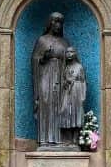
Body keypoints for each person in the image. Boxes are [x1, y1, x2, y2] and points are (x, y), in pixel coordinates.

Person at [31, 12, 71, 146]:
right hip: (45, 76)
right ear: (50, 23)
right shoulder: (42, 40)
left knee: (60, 106)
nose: (58, 25)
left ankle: (60, 140)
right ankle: (44, 140)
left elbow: (71, 61)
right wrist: (43, 57)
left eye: (60, 22)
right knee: (46, 104)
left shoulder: (65, 42)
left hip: (60, 77)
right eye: (55, 21)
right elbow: (34, 61)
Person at [59, 48, 86, 146]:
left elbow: (83, 82)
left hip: (76, 93)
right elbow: (64, 81)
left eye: (71, 52)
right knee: (65, 112)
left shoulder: (79, 67)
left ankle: (75, 139)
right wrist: (66, 83)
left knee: (76, 114)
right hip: (67, 93)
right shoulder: (66, 67)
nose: (69, 54)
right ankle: (68, 138)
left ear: (75, 54)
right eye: (67, 52)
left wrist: (82, 97)